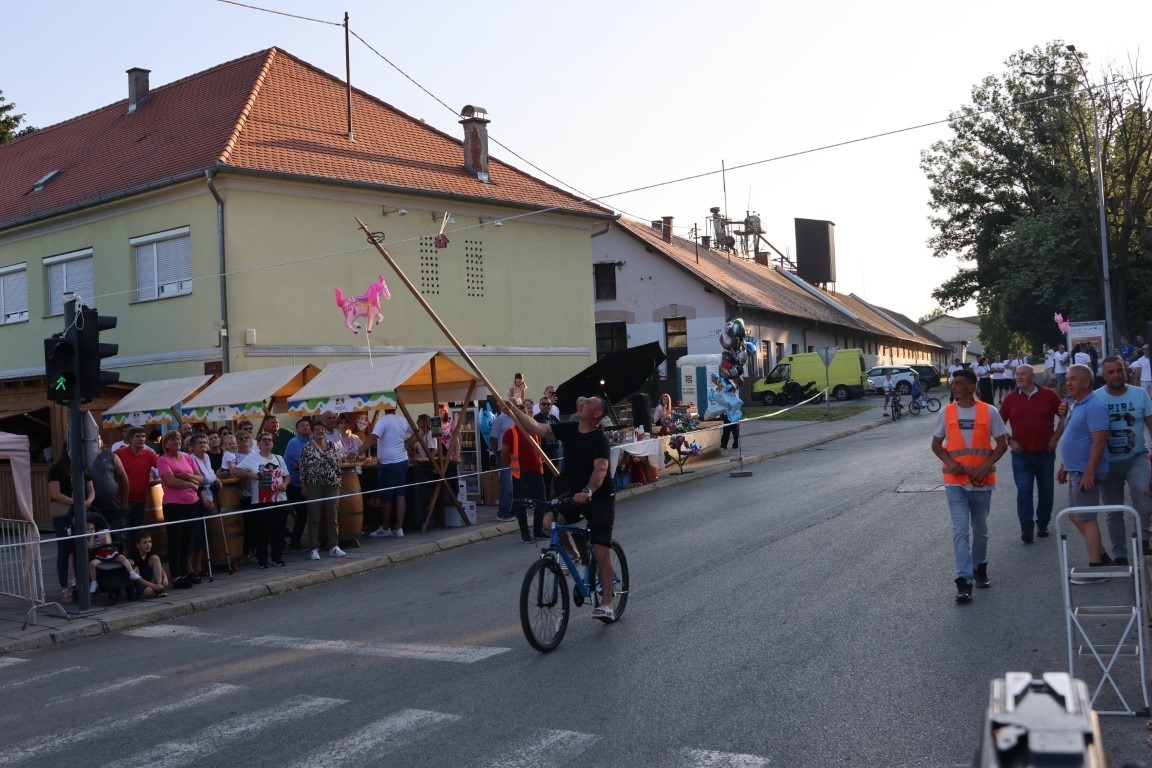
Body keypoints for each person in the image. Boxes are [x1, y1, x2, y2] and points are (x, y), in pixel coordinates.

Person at [504, 394, 618, 620]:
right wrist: (513, 411)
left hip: (599, 496)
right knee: (550, 520)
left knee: (600, 549)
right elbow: (537, 427)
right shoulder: (570, 429)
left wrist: (588, 491)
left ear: (596, 414)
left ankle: (607, 603)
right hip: (573, 493)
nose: (583, 403)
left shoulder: (599, 439)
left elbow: (601, 470)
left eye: (589, 403)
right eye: (583, 401)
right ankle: (573, 554)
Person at [931, 368, 1008, 604]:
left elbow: (1002, 444)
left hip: (982, 481)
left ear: (972, 387)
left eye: (959, 383)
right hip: (956, 483)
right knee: (960, 530)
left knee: (981, 530)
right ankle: (964, 581)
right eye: (953, 383)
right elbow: (936, 445)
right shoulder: (946, 413)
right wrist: (950, 463)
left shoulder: (989, 411)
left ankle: (979, 567)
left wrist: (985, 466)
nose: (954, 387)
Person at [1057, 364, 1112, 579]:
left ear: (1087, 382)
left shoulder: (1094, 406)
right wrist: (1064, 466)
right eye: (1068, 379)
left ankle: (1096, 567)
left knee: (1087, 518)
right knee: (1075, 515)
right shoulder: (1077, 404)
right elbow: (1075, 438)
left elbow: (1099, 442)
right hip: (1075, 470)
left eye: (1073, 379)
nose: (1068, 383)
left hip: (1086, 471)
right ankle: (1102, 555)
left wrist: (1090, 472)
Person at [999, 364, 1064, 543]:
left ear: (1033, 377)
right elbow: (998, 423)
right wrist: (1010, 441)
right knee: (1024, 490)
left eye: (1023, 374)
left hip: (1045, 453)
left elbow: (1065, 416)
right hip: (1021, 455)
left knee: (1046, 492)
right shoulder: (1010, 399)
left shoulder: (1049, 395)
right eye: (1017, 374)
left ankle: (1043, 523)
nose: (1019, 377)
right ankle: (1026, 527)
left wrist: (1055, 439)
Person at [1096, 356, 1152, 565]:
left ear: (1125, 370)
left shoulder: (1140, 394)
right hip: (1108, 461)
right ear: (1104, 375)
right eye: (1111, 372)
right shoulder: (1096, 398)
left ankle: (1143, 540)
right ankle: (1120, 553)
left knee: (1141, 491)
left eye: (1119, 370)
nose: (1116, 375)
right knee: (1114, 509)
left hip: (1136, 456)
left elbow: (1150, 425)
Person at [358, 405, 416, 538]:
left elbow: (373, 437)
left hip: (389, 463)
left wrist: (358, 451)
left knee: (386, 497)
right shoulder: (402, 419)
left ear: (384, 406)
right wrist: (407, 443)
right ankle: (399, 528)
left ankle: (385, 528)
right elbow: (418, 432)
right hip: (402, 461)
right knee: (400, 495)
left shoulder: (383, 420)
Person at [234, 431, 290, 568]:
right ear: (258, 443)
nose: (267, 442)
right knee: (262, 531)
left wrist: (284, 484)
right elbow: (235, 471)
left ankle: (277, 557)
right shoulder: (252, 458)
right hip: (261, 500)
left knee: (278, 530)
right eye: (264, 440)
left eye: (270, 440)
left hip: (279, 499)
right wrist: (250, 474)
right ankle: (263, 560)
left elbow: (287, 476)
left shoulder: (278, 458)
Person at [157, 430, 202, 588]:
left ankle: (185, 571)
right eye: (172, 440)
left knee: (187, 539)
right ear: (166, 444)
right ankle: (175, 575)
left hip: (192, 502)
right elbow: (170, 481)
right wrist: (190, 483)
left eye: (178, 439)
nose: (176, 441)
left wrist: (186, 476)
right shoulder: (163, 460)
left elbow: (200, 478)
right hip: (174, 504)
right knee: (176, 540)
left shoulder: (188, 458)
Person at [47, 453, 94, 600]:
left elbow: (91, 489)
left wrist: (88, 501)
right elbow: (55, 493)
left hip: (81, 512)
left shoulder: (83, 468)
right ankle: (64, 586)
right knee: (64, 549)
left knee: (82, 546)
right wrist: (76, 502)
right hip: (65, 514)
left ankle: (83, 583)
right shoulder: (57, 468)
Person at [299, 419, 346, 560]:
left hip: (331, 483)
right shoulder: (307, 448)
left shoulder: (332, 445)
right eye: (317, 429)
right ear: (313, 431)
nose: (320, 431)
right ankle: (314, 548)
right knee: (314, 516)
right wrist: (303, 486)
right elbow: (302, 468)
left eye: (322, 429)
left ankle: (334, 546)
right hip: (314, 483)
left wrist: (338, 479)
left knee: (332, 516)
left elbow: (337, 463)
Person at [501, 399, 547, 543]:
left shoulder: (534, 429)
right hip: (520, 473)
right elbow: (505, 453)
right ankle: (525, 533)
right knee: (521, 505)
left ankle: (538, 530)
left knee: (541, 502)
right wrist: (512, 466)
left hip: (536, 471)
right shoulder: (511, 432)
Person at [186, 432, 221, 582]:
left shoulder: (206, 457)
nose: (203, 445)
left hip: (210, 496)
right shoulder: (190, 459)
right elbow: (197, 482)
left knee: (203, 535)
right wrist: (204, 500)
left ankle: (199, 565)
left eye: (204, 442)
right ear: (192, 447)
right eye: (199, 443)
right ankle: (191, 567)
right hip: (198, 499)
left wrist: (217, 479)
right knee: (195, 534)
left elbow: (211, 476)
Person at [115, 426, 158, 545]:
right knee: (123, 533)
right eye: (138, 436)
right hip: (123, 499)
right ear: (130, 439)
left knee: (138, 533)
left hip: (141, 500)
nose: (141, 439)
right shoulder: (119, 453)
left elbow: (162, 466)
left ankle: (136, 560)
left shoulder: (150, 454)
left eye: (143, 436)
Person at [80, 519, 142, 595]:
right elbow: (90, 546)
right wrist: (91, 537)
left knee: (122, 557)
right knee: (92, 564)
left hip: (108, 551)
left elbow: (109, 542)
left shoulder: (99, 535)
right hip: (98, 554)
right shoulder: (87, 538)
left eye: (92, 529)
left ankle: (131, 572)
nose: (91, 531)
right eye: (88, 529)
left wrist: (106, 536)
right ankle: (94, 582)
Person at [89, 434, 130, 536]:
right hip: (94, 509)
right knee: (100, 542)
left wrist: (125, 501)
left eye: (98, 439)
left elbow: (124, 478)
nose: (97, 441)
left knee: (118, 539)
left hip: (114, 508)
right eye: (94, 439)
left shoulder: (111, 456)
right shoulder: (83, 459)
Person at [284, 417, 312, 551]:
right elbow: (303, 464)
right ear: (297, 429)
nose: (306, 427)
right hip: (295, 483)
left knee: (307, 512)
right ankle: (294, 542)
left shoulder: (312, 441)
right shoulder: (294, 442)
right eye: (302, 426)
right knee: (302, 512)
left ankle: (299, 540)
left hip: (308, 482)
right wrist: (302, 464)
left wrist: (303, 464)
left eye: (307, 425)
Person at [490, 401, 516, 521]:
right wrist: (497, 454)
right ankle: (503, 512)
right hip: (505, 454)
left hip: (517, 454)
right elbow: (493, 438)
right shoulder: (501, 418)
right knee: (507, 484)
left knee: (517, 484)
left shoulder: (519, 418)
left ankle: (515, 510)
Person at [128, 533, 169, 598]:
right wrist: (153, 586)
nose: (148, 544)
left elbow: (160, 567)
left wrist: (165, 578)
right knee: (149, 591)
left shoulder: (149, 553)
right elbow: (138, 579)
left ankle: (159, 587)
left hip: (147, 582)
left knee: (155, 557)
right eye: (145, 542)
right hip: (137, 584)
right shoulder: (134, 557)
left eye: (150, 542)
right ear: (138, 545)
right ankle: (155, 589)